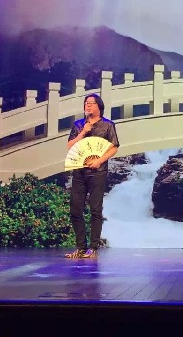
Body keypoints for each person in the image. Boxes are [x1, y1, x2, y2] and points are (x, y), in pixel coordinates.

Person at [64, 93, 119, 258]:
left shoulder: (108, 125)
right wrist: (83, 132)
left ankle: (93, 248)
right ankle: (80, 248)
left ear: (99, 106)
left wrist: (99, 161)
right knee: (75, 209)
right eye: (86, 103)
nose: (88, 106)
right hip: (79, 171)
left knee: (96, 210)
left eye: (91, 103)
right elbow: (70, 146)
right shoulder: (79, 124)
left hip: (98, 172)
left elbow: (114, 146)